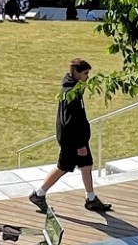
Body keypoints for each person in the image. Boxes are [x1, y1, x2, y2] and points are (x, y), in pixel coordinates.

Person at [29, 60, 112, 213]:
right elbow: (70, 120)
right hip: (72, 139)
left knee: (86, 164)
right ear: (76, 72)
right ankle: (38, 194)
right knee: (63, 166)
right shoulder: (71, 92)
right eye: (85, 73)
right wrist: (80, 144)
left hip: (76, 137)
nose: (87, 77)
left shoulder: (72, 87)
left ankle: (91, 199)